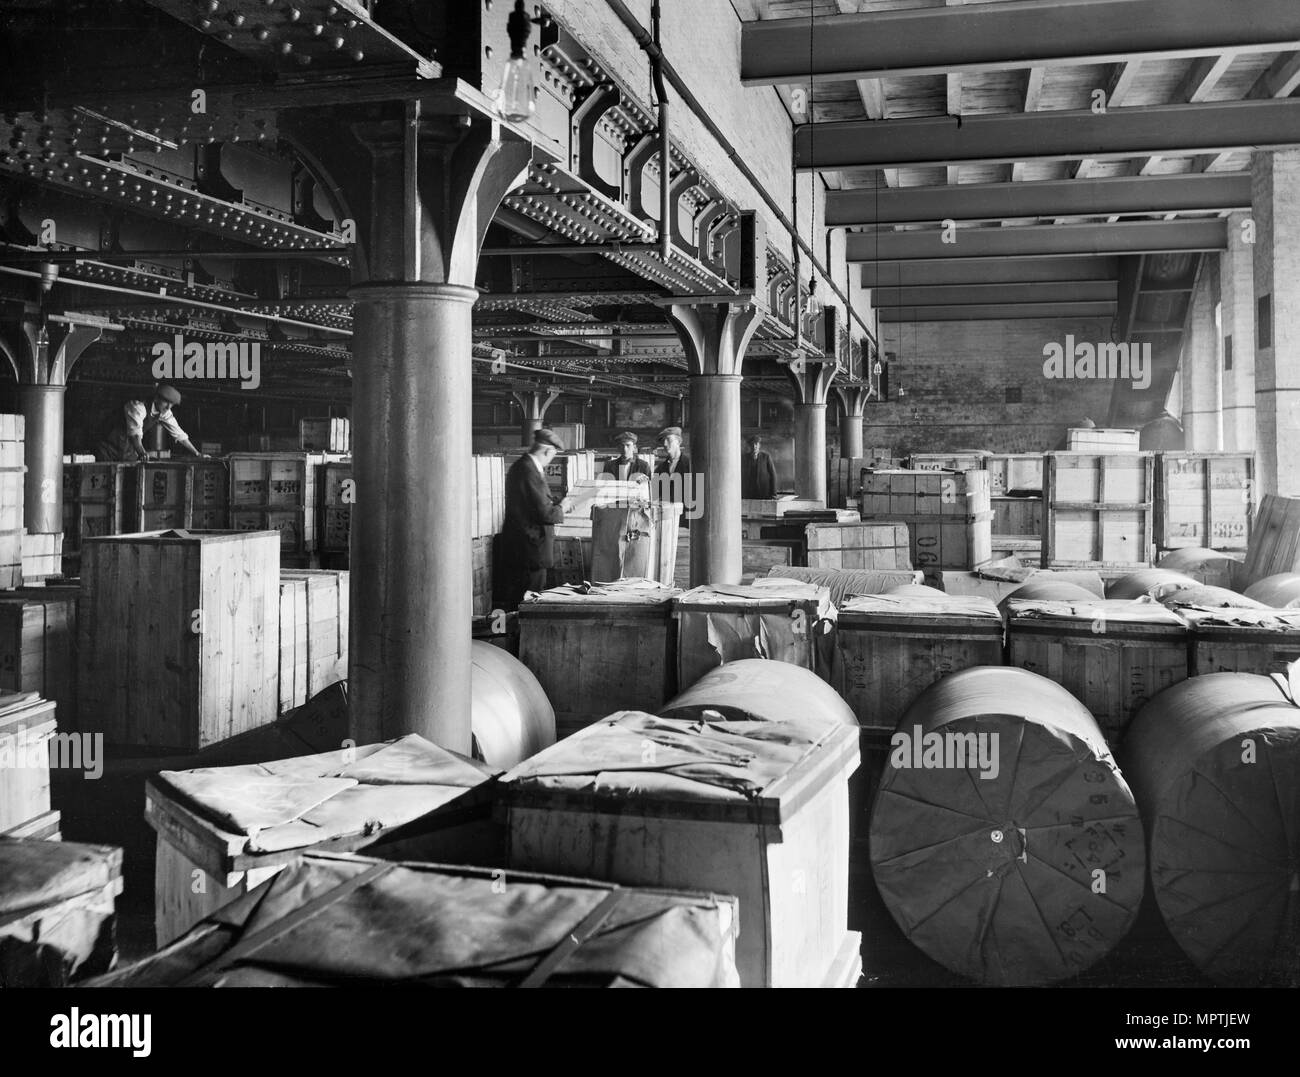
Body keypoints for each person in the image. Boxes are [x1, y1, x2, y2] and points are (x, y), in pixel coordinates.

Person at [498, 428, 575, 609]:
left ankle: (515, 635)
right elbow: (544, 513)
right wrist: (562, 507)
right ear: (547, 451)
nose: (550, 461)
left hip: (525, 551)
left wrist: (556, 503)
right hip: (529, 553)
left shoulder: (523, 467)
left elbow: (534, 503)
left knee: (520, 600)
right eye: (552, 456)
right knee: (526, 602)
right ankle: (518, 637)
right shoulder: (529, 471)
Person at [95, 384, 204, 462]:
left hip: (127, 453)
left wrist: (197, 453)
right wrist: (142, 452)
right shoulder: (138, 406)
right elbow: (135, 434)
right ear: (156, 398)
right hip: (108, 450)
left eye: (172, 404)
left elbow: (179, 434)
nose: (168, 407)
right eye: (166, 402)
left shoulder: (164, 412)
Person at [741, 434, 777, 499]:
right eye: (752, 444)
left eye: (756, 444)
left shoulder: (766, 457)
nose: (754, 447)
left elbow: (773, 475)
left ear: (759, 445)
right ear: (749, 446)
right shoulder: (744, 458)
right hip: (749, 494)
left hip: (764, 492)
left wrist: (773, 493)